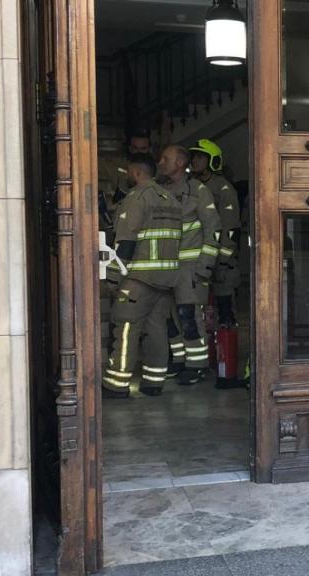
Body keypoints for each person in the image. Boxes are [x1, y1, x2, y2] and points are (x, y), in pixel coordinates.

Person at [102, 154, 182, 398]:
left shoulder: (136, 199)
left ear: (136, 172)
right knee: (157, 327)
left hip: (140, 277)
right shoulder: (171, 199)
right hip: (167, 278)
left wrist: (113, 279)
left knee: (126, 327)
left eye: (128, 172)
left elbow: (125, 243)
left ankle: (117, 384)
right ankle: (154, 382)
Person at [157, 145, 222, 385]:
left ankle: (197, 364)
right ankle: (179, 359)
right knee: (168, 317)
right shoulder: (158, 190)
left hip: (190, 267)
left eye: (166, 158)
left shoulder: (198, 191)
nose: (161, 162)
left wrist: (205, 265)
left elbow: (212, 228)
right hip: (164, 268)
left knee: (188, 316)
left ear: (179, 163)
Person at [188, 139, 241, 326]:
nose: (194, 161)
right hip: (195, 254)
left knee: (224, 306)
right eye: (193, 157)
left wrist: (224, 261)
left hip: (219, 257)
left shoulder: (223, 188)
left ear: (212, 160)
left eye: (200, 157)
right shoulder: (190, 186)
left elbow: (230, 228)